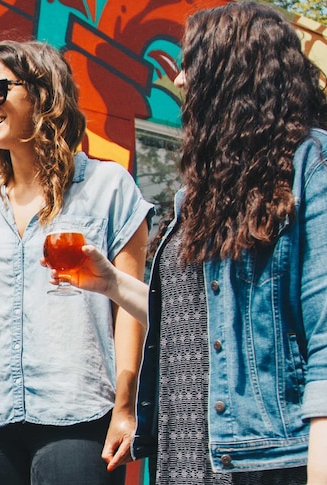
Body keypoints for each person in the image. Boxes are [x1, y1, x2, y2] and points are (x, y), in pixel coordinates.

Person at [45, 2, 327, 483]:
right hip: (185, 450)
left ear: (233, 70)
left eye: (191, 64)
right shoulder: (197, 195)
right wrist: (112, 282)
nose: (179, 81)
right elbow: (189, 320)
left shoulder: (309, 168)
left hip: (264, 460)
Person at [0, 40, 153, 484]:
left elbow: (129, 309)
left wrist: (126, 406)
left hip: (79, 415)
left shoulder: (108, 187)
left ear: (44, 93)